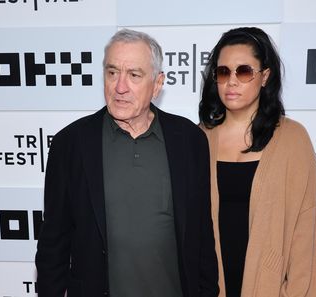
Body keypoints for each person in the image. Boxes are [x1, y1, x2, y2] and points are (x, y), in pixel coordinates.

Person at [36, 28, 219, 297]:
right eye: (112, 73)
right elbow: (53, 243)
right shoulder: (71, 144)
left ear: (157, 84)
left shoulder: (190, 140)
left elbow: (202, 234)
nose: (120, 87)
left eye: (134, 75)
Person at [199, 27, 316, 297]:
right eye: (223, 72)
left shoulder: (293, 139)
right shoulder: (199, 138)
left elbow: (304, 234)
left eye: (243, 71)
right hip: (208, 286)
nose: (231, 82)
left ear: (265, 76)